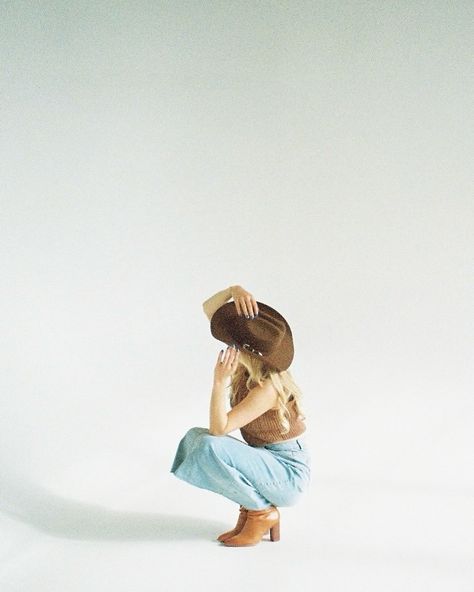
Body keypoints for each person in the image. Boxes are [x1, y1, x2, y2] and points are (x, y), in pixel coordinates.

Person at [169, 285, 311, 547]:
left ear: (247, 351)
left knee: (209, 444)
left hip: (287, 474)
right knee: (194, 438)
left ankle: (260, 512)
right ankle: (251, 510)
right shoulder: (248, 370)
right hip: (268, 460)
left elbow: (219, 430)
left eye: (235, 342)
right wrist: (234, 291)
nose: (230, 344)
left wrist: (218, 383)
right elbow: (209, 310)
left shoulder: (267, 388)